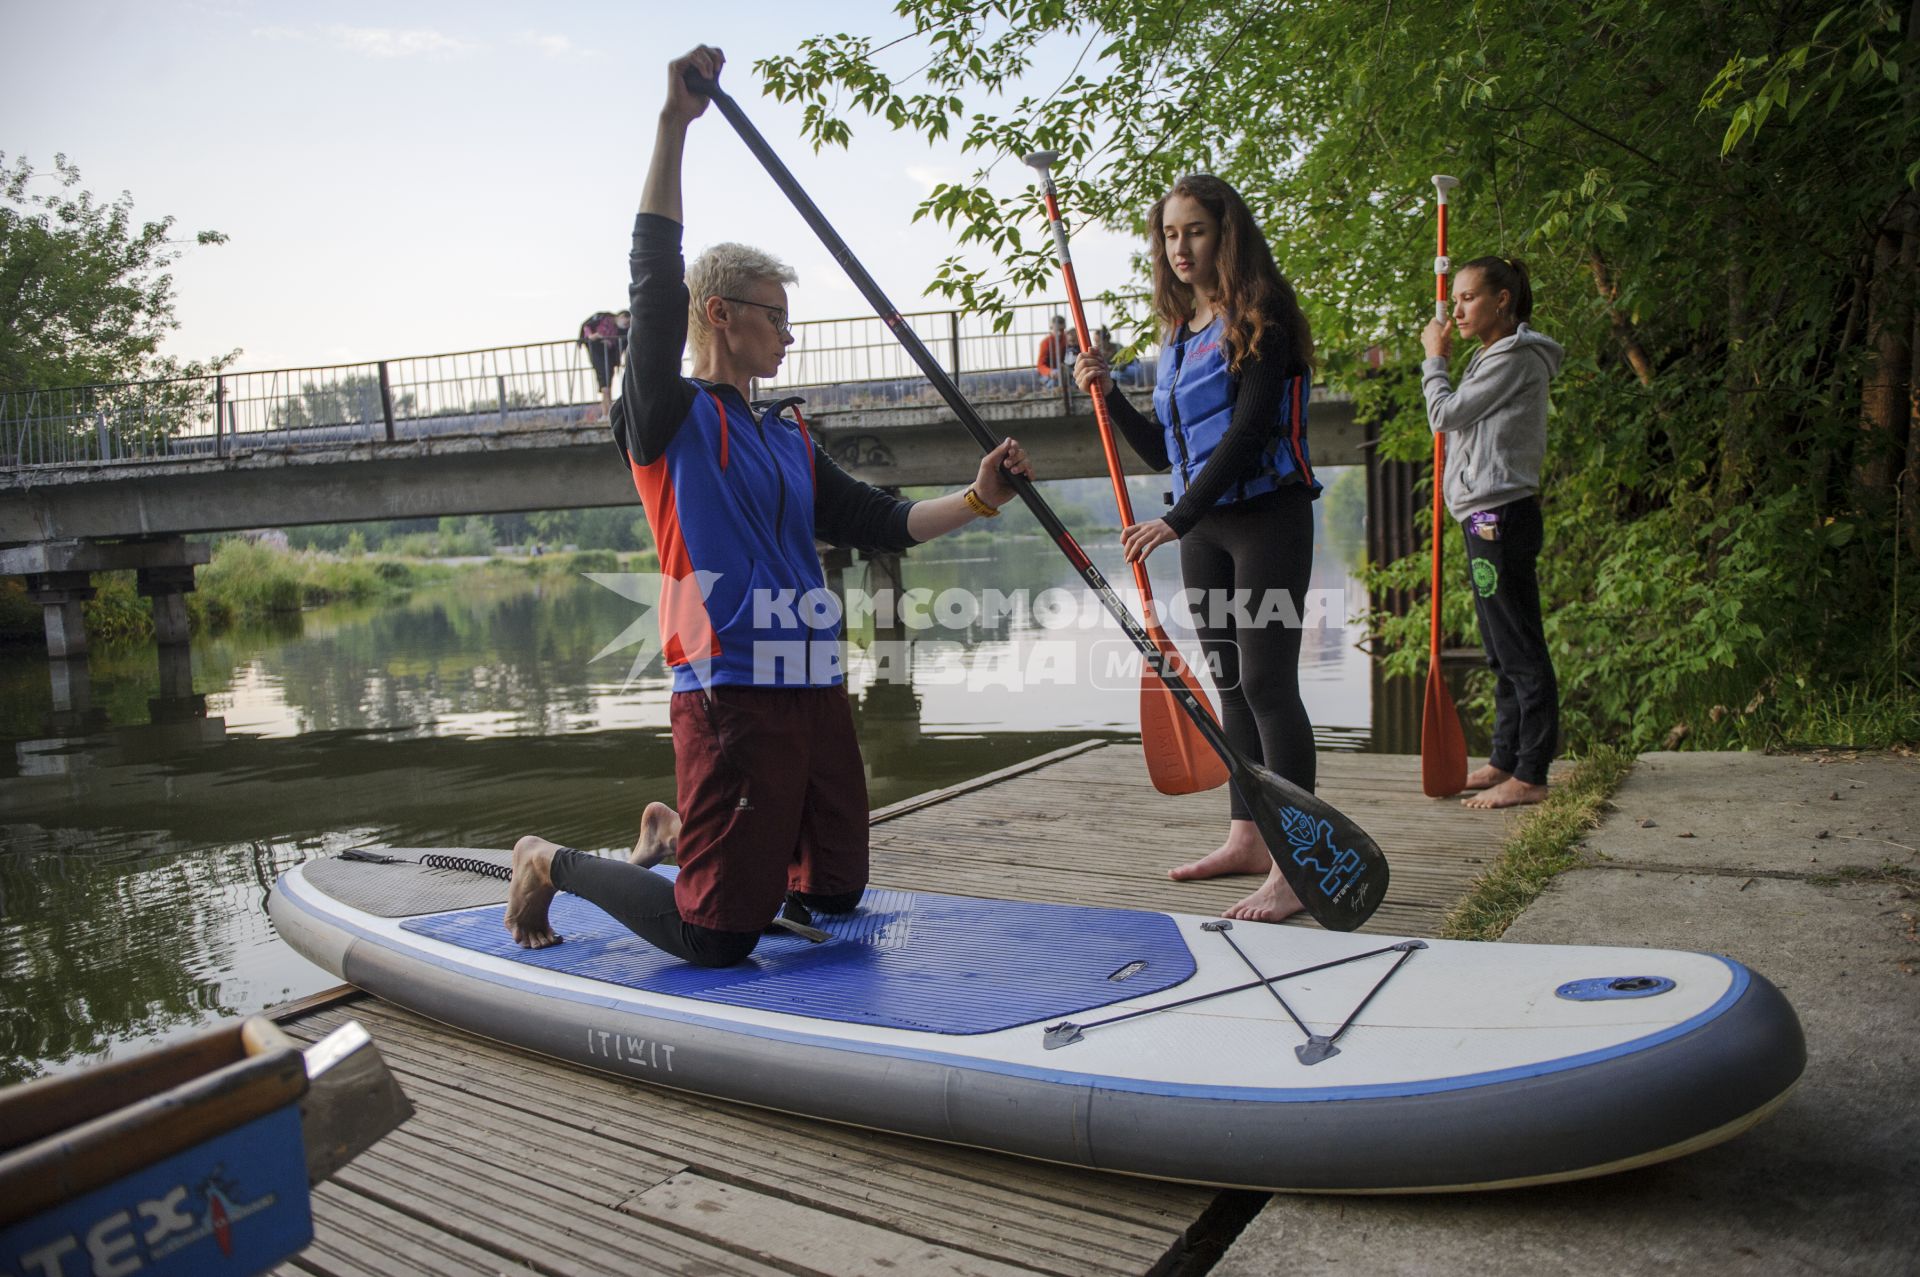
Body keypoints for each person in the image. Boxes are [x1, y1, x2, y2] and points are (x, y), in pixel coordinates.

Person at [506, 44, 1034, 966]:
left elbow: (875, 518)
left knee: (832, 889)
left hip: (812, 678)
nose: (788, 334)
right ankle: (548, 860)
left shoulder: (786, 433)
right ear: (719, 313)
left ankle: (688, 840)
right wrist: (674, 125)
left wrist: (977, 499)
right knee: (715, 937)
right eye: (774, 316)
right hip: (730, 689)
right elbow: (653, 277)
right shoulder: (665, 417)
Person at [1073, 174, 1321, 924]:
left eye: (1195, 232)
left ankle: (1296, 861)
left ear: (1227, 233)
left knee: (1270, 685)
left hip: (1265, 518)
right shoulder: (1181, 332)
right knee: (1231, 686)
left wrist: (1175, 521)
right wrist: (1108, 393)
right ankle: (1248, 835)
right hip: (1206, 526)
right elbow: (1161, 452)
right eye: (1169, 235)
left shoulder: (1262, 315)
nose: (1180, 248)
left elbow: (1247, 440)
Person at [1419, 257, 1563, 809]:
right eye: (1453, 299)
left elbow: (1445, 414)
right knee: (1500, 647)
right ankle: (1505, 757)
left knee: (1520, 645)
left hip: (1500, 516)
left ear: (1503, 300)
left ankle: (1531, 773)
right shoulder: (1489, 357)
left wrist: (1435, 361)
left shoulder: (1516, 359)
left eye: (1468, 298)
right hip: (1482, 515)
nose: (1456, 310)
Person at [579, 309, 630, 421]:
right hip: (599, 355)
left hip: (609, 357)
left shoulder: (621, 331)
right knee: (605, 385)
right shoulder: (603, 319)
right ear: (621, 316)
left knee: (606, 385)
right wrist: (594, 336)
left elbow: (623, 347)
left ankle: (606, 413)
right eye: (626, 323)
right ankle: (607, 413)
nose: (626, 326)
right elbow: (587, 328)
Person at [1036, 314, 1079, 384]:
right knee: (1054, 383)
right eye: (1057, 330)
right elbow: (1040, 365)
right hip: (1049, 374)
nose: (1059, 333)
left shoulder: (1067, 338)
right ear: (1051, 328)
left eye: (1061, 330)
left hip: (1065, 372)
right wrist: (1050, 372)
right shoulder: (1045, 343)